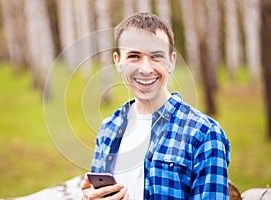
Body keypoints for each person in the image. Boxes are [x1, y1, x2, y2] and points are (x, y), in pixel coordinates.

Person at [81, 12, 230, 199]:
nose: (145, 69)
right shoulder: (108, 129)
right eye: (134, 56)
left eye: (156, 56)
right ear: (118, 62)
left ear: (172, 61)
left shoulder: (204, 133)